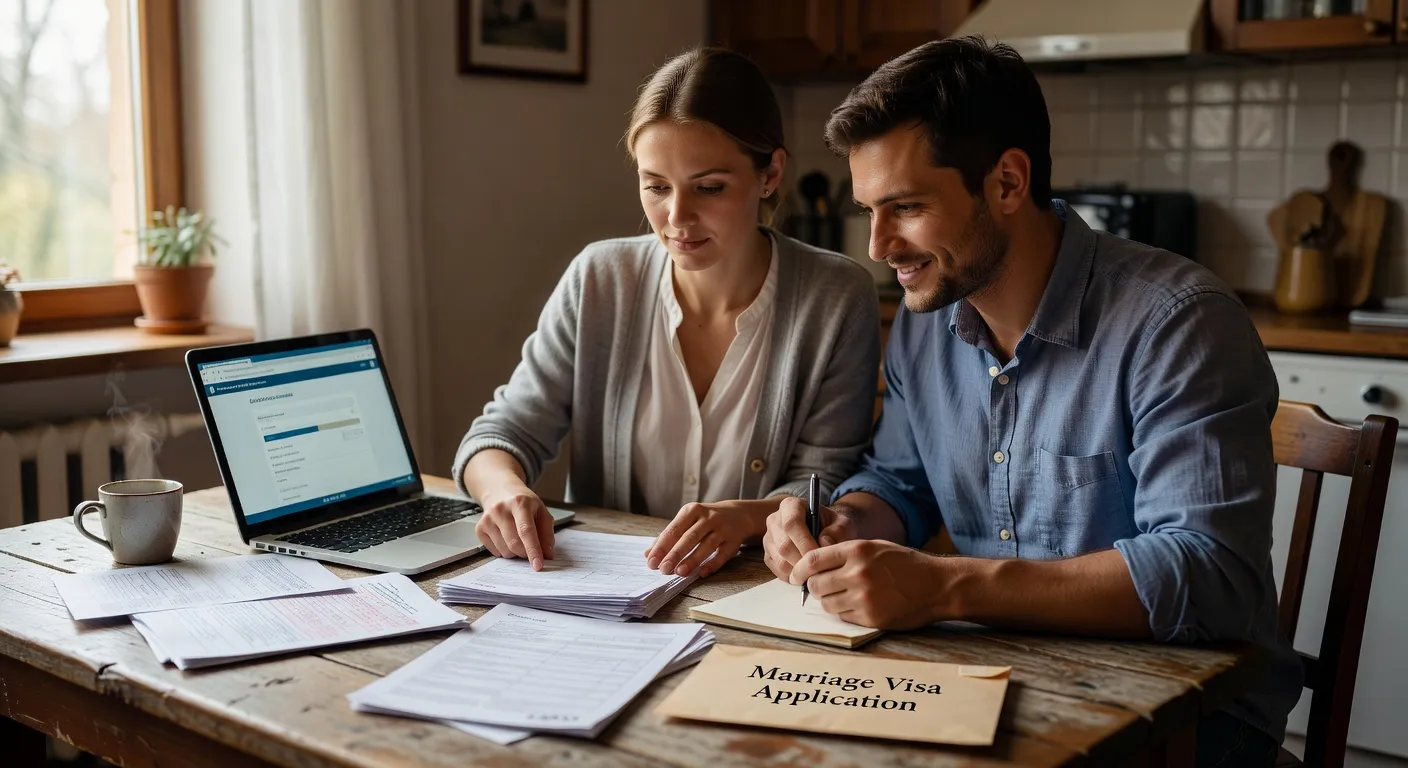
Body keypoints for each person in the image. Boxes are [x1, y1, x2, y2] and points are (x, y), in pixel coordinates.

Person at [761, 37, 1301, 766]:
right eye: (869, 211)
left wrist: (947, 588)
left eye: (907, 207)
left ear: (1008, 183)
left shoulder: (1178, 321)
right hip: (1000, 685)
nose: (879, 245)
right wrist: (842, 525)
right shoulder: (926, 325)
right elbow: (901, 483)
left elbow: (1208, 574)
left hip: (1188, 723)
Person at [456, 47, 880, 580]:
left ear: (770, 173)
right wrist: (505, 491)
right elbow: (501, 434)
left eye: (709, 188)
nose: (676, 218)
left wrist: (742, 519)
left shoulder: (837, 296)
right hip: (603, 595)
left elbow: (826, 482)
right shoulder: (600, 279)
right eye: (656, 186)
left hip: (754, 590)